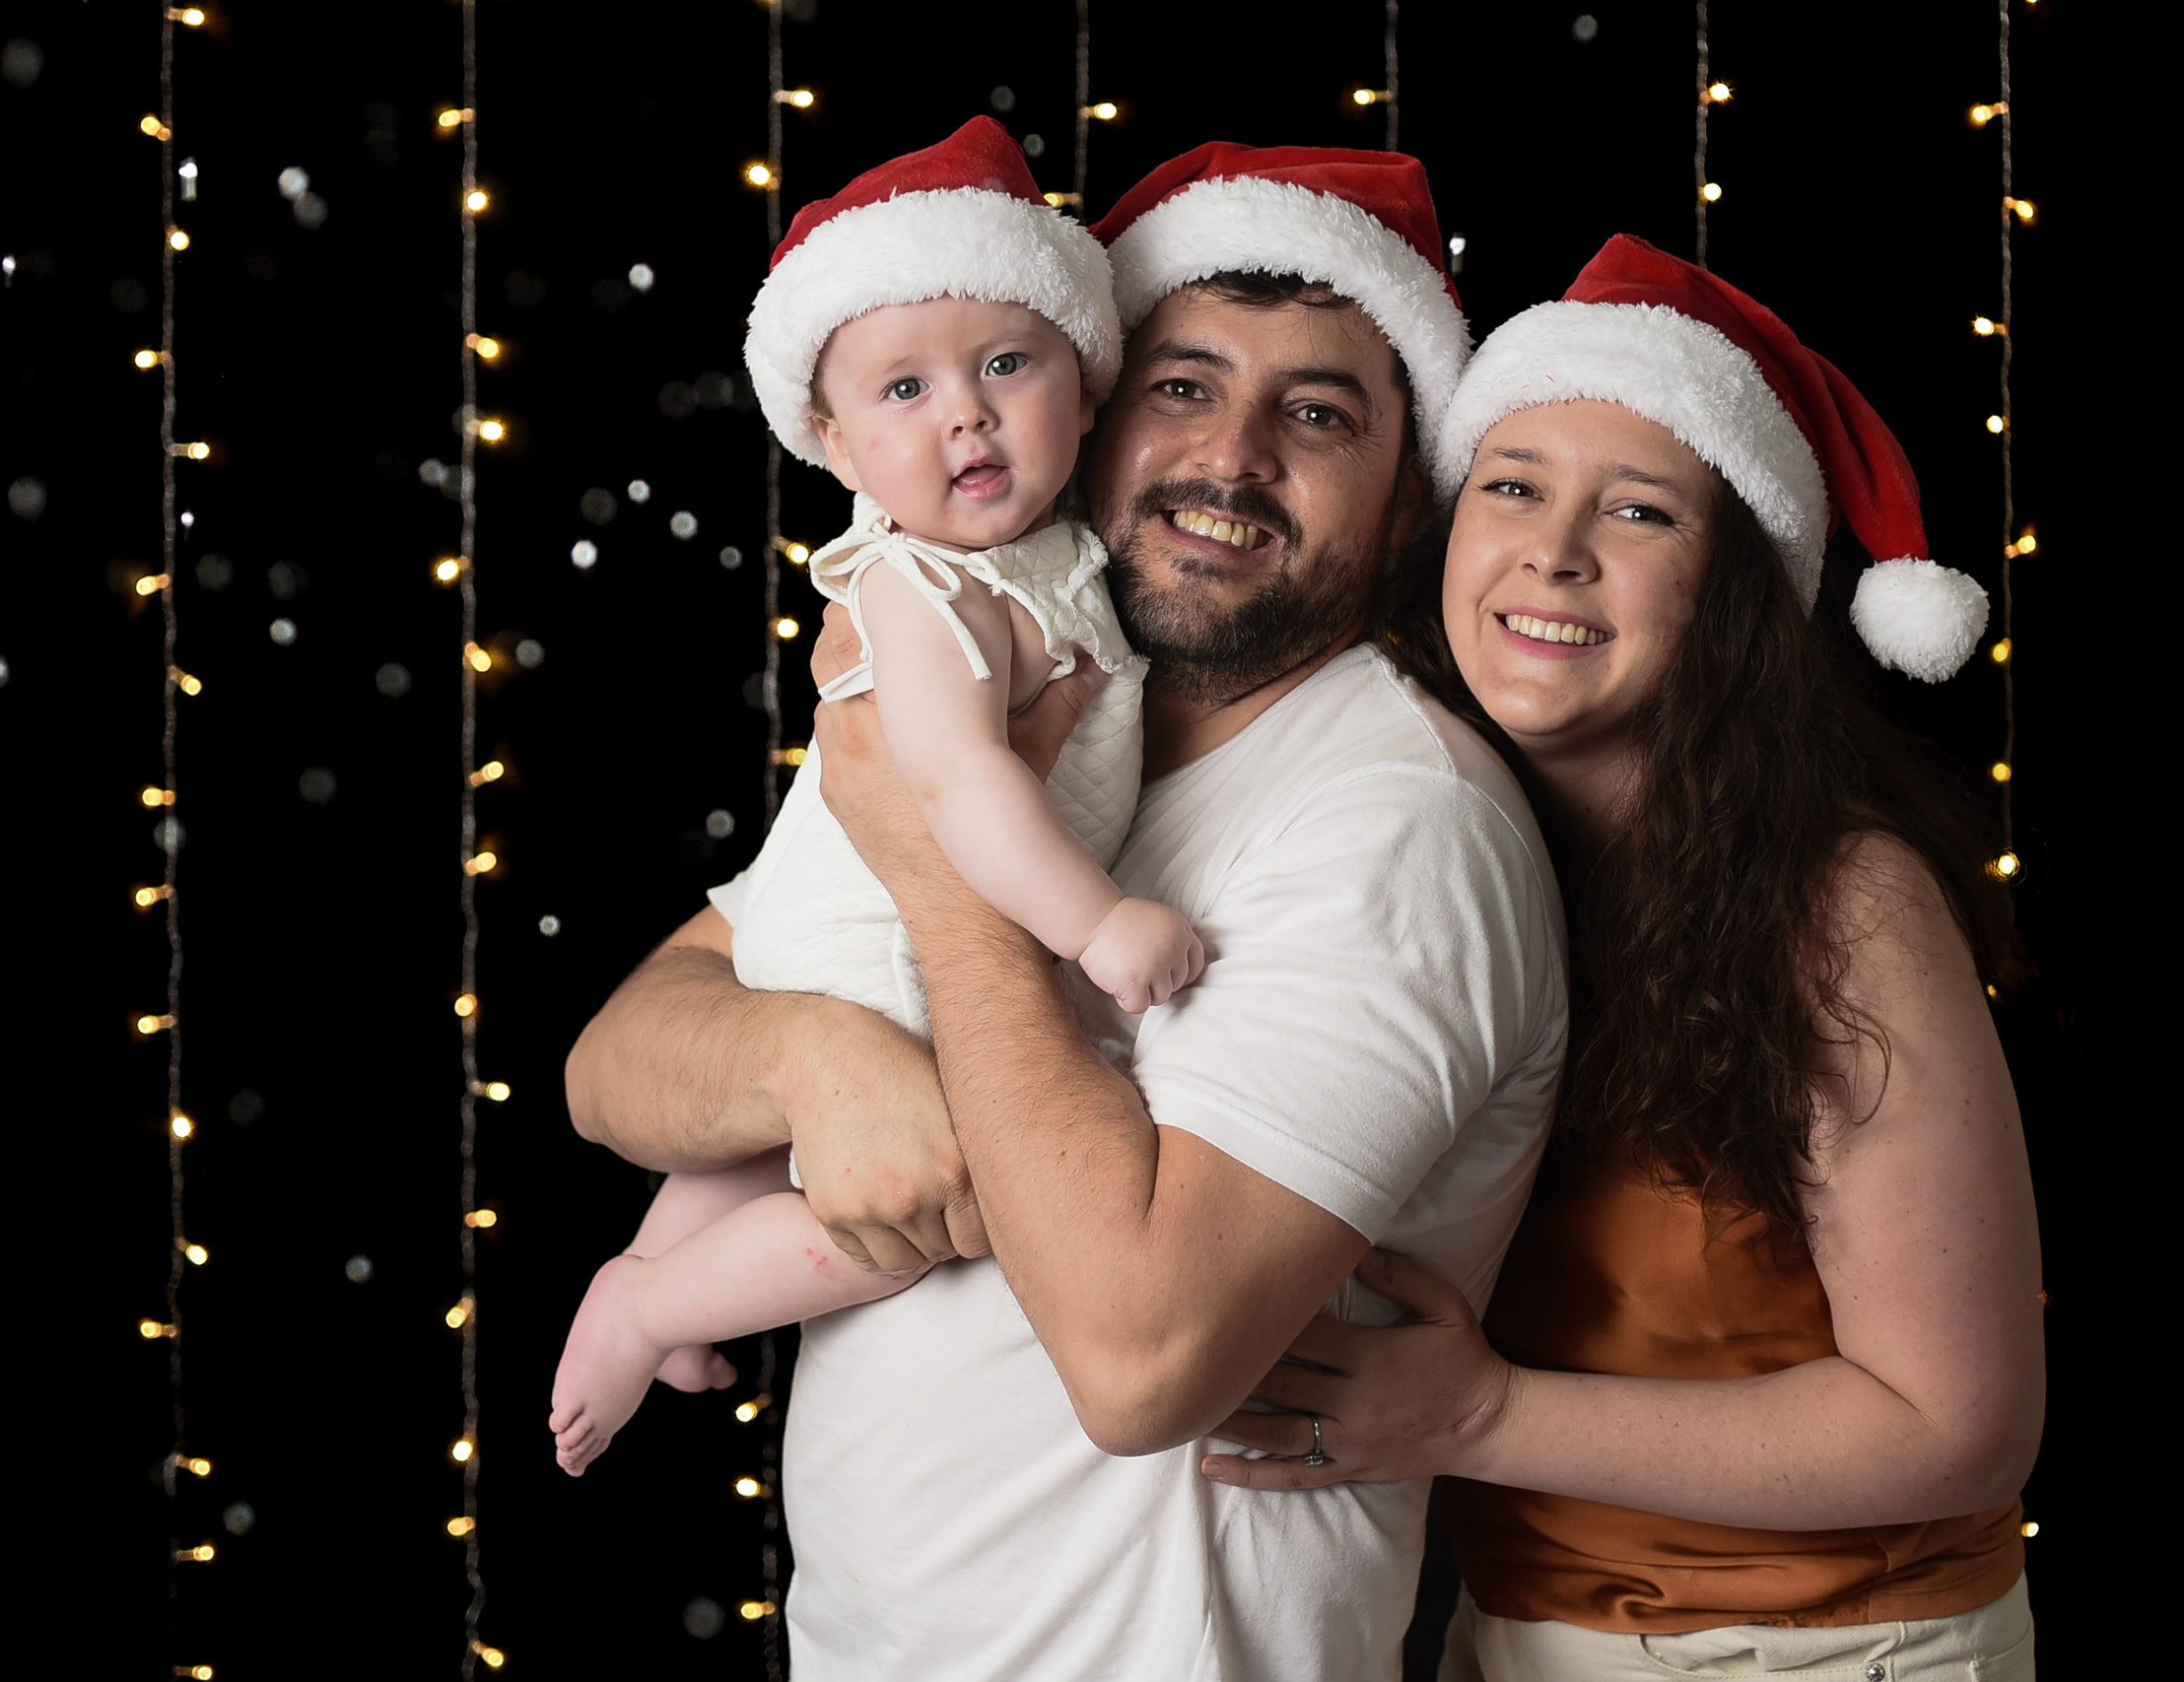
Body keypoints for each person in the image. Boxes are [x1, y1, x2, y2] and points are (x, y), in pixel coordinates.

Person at [565, 141, 1568, 1681]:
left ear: (1408, 496)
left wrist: (939, 886)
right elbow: (617, 1065)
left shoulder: (1396, 824)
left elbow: (1140, 1364)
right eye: (1184, 384)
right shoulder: (1048, 690)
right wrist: (819, 1068)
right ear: (1094, 411)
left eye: (1317, 412)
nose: (1229, 456)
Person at [1197, 236, 2044, 1681]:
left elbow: (1958, 1426)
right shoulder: (1418, 833)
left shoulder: (1841, 905)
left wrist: (1478, 1417)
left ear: (1729, 592)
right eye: (1513, 485)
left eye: (1639, 511)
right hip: (1510, 1643)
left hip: (1835, 1655)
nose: (1554, 550)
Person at [545, 120, 1203, 1477]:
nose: (964, 411)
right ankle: (653, 1297)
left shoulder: (1050, 554)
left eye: (1006, 366)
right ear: (834, 448)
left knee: (773, 1137)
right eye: (903, 391)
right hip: (878, 938)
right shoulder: (922, 590)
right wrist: (1095, 926)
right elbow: (961, 786)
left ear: (1086, 390)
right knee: (937, 1179)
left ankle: (663, 1259)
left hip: (845, 930)